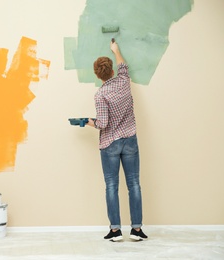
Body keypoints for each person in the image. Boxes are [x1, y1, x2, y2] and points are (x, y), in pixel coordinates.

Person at [86, 40, 148, 242]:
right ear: (111, 70)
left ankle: (115, 231)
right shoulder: (123, 80)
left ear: (97, 75)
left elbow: (102, 123)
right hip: (130, 139)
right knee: (134, 184)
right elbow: (123, 65)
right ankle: (137, 230)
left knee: (112, 186)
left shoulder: (100, 95)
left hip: (110, 144)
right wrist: (116, 50)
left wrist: (87, 122)